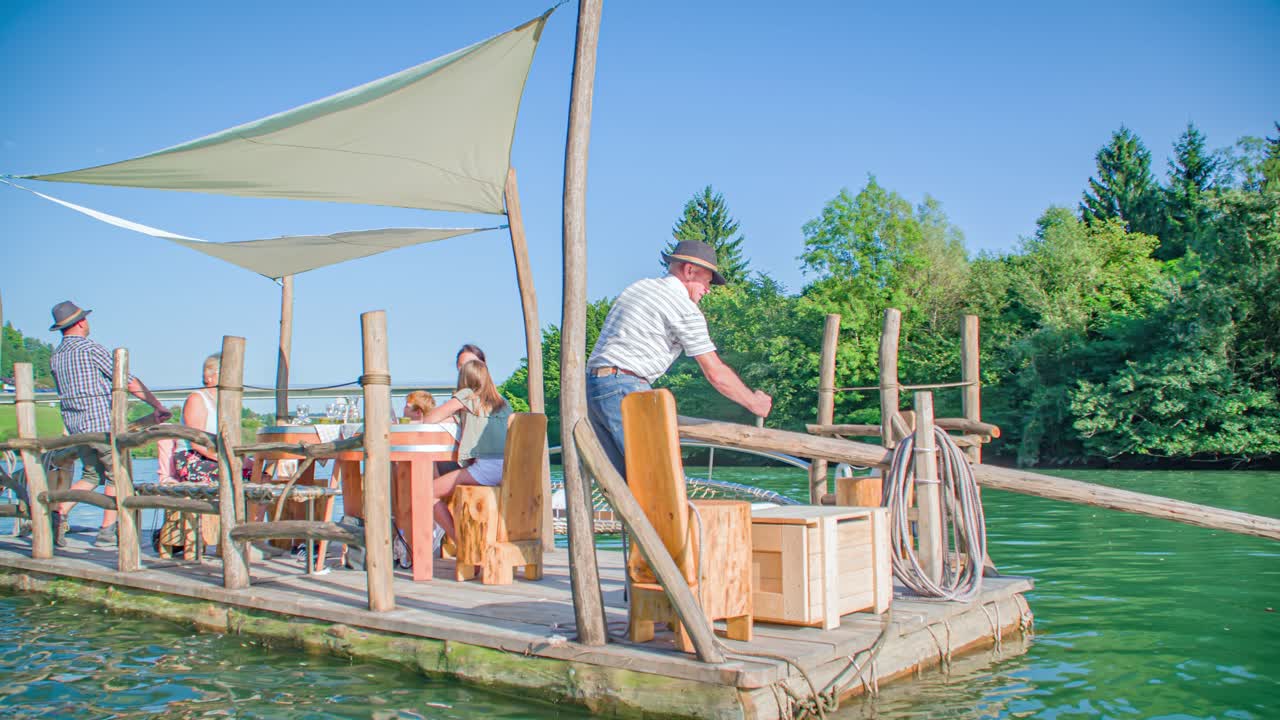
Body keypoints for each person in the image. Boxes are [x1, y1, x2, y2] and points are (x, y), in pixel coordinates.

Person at [586, 239, 772, 474]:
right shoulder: (683, 307)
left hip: (594, 388)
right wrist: (754, 402)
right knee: (661, 481)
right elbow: (715, 372)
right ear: (689, 270)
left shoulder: (640, 287)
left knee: (624, 484)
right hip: (626, 386)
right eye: (707, 280)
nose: (708, 289)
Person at [48, 300, 171, 547]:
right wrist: (157, 406)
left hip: (77, 427)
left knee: (91, 475)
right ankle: (107, 530)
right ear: (81, 322)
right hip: (102, 424)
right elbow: (127, 380)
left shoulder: (57, 356)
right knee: (117, 475)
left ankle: (60, 512)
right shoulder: (91, 349)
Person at [419, 360, 512, 554]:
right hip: (509, 469)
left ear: (464, 379)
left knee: (426, 492)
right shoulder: (503, 402)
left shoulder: (467, 396)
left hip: (486, 469)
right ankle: (470, 542)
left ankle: (462, 545)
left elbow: (428, 419)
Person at [173, 353, 221, 483]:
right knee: (233, 474)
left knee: (258, 475)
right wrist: (228, 460)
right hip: (193, 458)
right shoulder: (197, 399)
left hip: (217, 457)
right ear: (210, 376)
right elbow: (198, 443)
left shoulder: (226, 403)